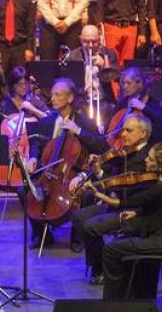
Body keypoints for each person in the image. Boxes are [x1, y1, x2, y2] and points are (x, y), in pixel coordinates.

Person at [97, 143, 162, 300]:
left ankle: (112, 302)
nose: (145, 160)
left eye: (150, 158)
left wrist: (98, 194)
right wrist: (137, 213)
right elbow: (156, 208)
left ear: (161, 166)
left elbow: (127, 202)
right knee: (125, 242)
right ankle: (135, 296)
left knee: (111, 250)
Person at [25, 79, 108, 248]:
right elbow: (37, 143)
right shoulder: (48, 120)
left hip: (75, 173)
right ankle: (42, 234)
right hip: (48, 172)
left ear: (70, 98)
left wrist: (78, 131)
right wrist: (33, 157)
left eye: (57, 95)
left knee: (85, 194)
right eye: (52, 94)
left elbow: (102, 146)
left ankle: (77, 238)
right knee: (25, 190)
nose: (52, 98)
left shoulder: (84, 122)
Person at [73, 112, 154, 283]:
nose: (123, 134)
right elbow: (110, 173)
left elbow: (123, 186)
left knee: (90, 227)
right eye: (123, 130)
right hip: (117, 203)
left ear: (143, 134)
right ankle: (99, 266)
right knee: (79, 216)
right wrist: (94, 170)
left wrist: (101, 175)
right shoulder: (125, 152)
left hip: (133, 210)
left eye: (129, 130)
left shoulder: (148, 157)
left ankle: (104, 270)